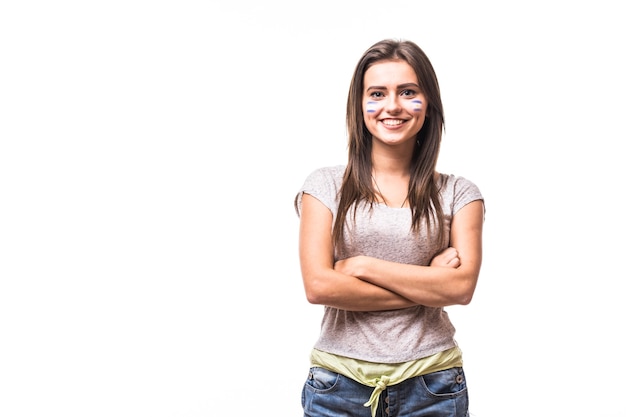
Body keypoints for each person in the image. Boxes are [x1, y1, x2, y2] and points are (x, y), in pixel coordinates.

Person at [294, 38, 485, 417]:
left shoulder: (460, 194)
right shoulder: (324, 187)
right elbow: (319, 287)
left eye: (408, 92)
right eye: (377, 93)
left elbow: (461, 289)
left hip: (433, 382)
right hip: (338, 383)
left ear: (428, 104)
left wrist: (363, 266)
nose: (392, 106)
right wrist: (430, 283)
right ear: (360, 105)